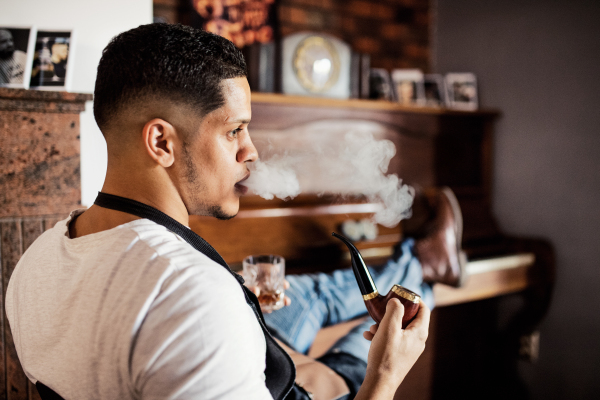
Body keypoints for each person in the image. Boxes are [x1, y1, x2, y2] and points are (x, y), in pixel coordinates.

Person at [4, 23, 459, 400]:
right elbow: (192, 309)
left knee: (314, 291)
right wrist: (385, 377)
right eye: (234, 132)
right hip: (323, 387)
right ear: (161, 142)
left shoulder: (37, 259)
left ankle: (417, 263)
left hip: (253, 349)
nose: (252, 152)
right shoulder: (193, 298)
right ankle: (421, 267)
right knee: (402, 311)